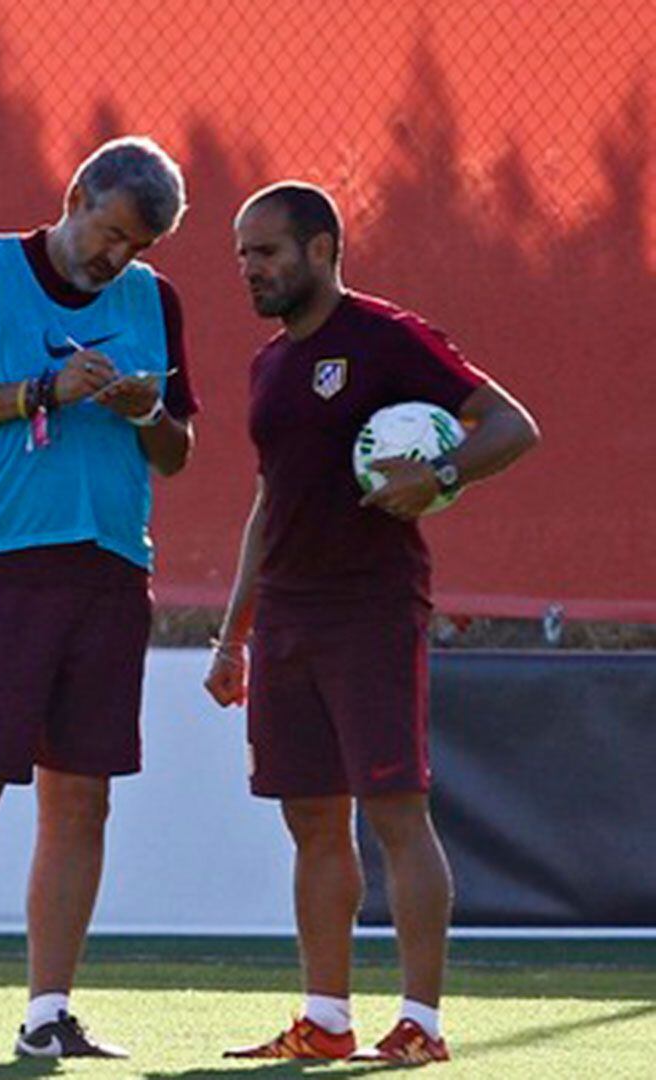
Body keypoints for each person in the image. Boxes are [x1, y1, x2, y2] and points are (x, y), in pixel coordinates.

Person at [208, 181, 540, 1065]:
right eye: (242, 254)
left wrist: (442, 476)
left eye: (267, 251)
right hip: (286, 620)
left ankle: (422, 1024)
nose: (251, 268)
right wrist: (233, 631)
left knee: (395, 813)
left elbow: (512, 425)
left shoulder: (389, 338)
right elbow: (268, 503)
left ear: (322, 250)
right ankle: (325, 1020)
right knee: (312, 823)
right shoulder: (269, 365)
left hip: (371, 612)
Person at [0, 136, 199, 1062]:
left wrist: (146, 409)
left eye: (135, 248)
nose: (116, 260)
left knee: (82, 800)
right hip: (0, 564)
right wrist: (40, 391)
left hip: (110, 568)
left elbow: (179, 451)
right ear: (74, 196)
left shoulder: (154, 302)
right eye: (109, 235)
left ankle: (48, 1011)